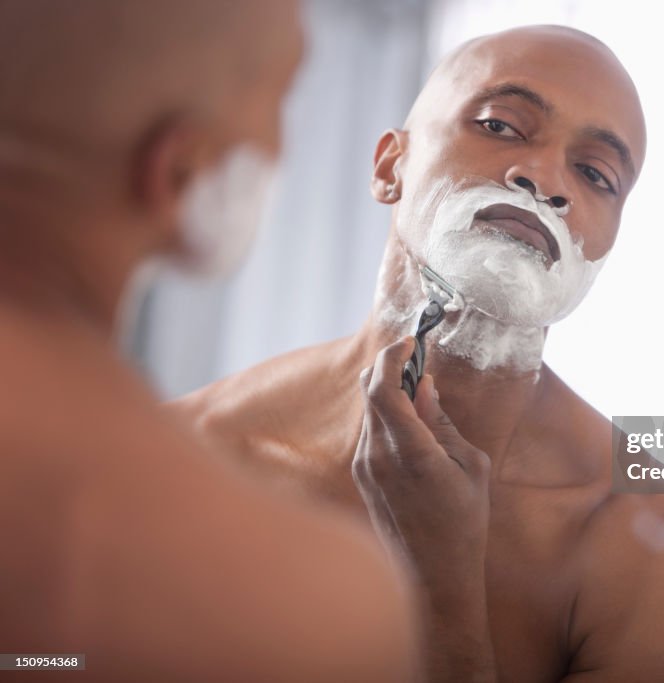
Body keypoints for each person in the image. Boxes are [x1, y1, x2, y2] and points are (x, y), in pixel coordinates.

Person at [176, 25, 664, 682]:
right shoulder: (189, 451)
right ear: (390, 165)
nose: (544, 179)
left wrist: (442, 592)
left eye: (595, 173)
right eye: (502, 126)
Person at [0, 2, 415, 681]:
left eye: (600, 173)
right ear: (180, 167)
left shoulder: (630, 483)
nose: (539, 181)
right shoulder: (318, 607)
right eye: (281, 97)